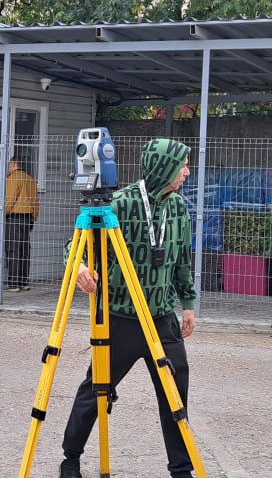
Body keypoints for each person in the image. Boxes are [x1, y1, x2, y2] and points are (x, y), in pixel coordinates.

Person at [58, 138, 197, 478]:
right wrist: (80, 269)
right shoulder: (119, 204)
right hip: (121, 318)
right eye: (181, 166)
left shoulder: (178, 207)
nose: (187, 172)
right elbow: (73, 246)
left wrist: (188, 304)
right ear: (163, 167)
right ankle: (70, 458)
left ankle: (181, 469)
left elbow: (182, 258)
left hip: (162, 319)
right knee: (96, 389)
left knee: (175, 394)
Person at [4, 157, 40, 292]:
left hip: (15, 217)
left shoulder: (13, 178)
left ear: (14, 165)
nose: (8, 168)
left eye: (9, 165)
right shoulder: (30, 179)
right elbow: (36, 202)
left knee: (13, 249)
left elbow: (10, 199)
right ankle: (24, 281)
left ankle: (13, 283)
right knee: (24, 250)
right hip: (27, 218)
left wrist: (4, 213)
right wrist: (33, 218)